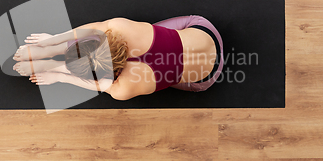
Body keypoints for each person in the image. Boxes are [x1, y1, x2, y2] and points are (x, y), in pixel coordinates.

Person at [13, 15, 223, 100]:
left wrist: (58, 73)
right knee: (160, 46)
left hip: (206, 78)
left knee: (161, 49)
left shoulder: (122, 88)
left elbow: (92, 32)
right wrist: (52, 42)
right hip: (204, 34)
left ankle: (57, 60)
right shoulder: (120, 29)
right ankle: (56, 58)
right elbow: (94, 31)